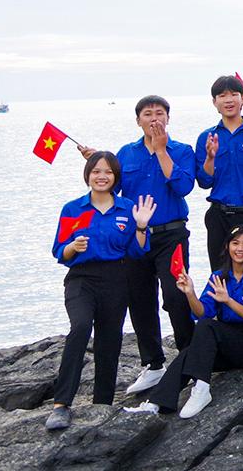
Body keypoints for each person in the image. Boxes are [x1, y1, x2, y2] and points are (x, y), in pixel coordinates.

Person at [73, 95, 198, 396]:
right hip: (137, 236)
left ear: (168, 118)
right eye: (147, 114)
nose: (154, 118)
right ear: (137, 120)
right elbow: (109, 190)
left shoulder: (182, 150)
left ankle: (189, 356)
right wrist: (97, 165)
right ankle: (153, 364)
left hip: (171, 234)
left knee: (175, 293)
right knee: (140, 299)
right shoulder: (125, 154)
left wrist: (161, 150)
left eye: (159, 113)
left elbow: (183, 187)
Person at [45, 152, 156, 431]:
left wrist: (141, 226)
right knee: (80, 327)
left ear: (115, 177)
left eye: (107, 172)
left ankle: (102, 404)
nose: (101, 176)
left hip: (116, 279)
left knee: (109, 340)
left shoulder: (127, 208)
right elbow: (60, 250)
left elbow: (137, 251)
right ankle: (61, 404)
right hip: (81, 279)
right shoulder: (74, 209)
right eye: (96, 171)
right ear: (88, 175)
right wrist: (73, 247)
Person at [128, 227, 243, 419]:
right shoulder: (219, 276)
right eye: (235, 243)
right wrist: (190, 293)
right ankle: (157, 403)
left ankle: (202, 388)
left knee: (206, 328)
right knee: (190, 349)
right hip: (225, 343)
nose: (240, 249)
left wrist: (228, 301)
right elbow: (203, 312)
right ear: (227, 246)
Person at [195, 75, 243, 270]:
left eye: (234, 94)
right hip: (220, 215)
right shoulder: (208, 136)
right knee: (220, 274)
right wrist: (210, 158)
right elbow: (204, 181)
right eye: (222, 95)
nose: (228, 100)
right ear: (215, 102)